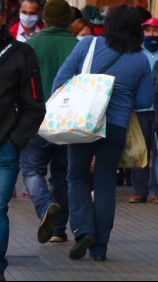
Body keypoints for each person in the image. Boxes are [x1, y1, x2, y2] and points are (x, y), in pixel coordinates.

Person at [52, 4, 153, 261]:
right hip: (116, 126)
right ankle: (100, 249)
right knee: (105, 182)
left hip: (84, 123)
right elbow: (143, 102)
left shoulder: (88, 44)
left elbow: (60, 81)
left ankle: (83, 229)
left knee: (77, 177)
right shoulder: (141, 59)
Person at [20, 0, 78, 245]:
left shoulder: (29, 46)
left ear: (44, 17)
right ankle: (58, 229)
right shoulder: (78, 46)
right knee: (63, 174)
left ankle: (45, 207)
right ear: (68, 19)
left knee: (32, 169)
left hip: (36, 119)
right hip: (70, 120)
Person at [0, 0, 46, 277]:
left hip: (5, 148)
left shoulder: (21, 53)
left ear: (4, 16)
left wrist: (14, 140)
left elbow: (34, 105)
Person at [127, 17, 158, 204]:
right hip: (139, 109)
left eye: (155, 31)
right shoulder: (135, 53)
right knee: (139, 151)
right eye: (148, 31)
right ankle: (138, 191)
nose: (151, 35)